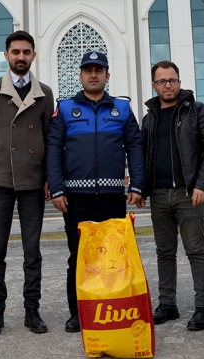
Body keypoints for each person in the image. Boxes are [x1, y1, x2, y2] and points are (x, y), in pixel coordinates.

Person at [46, 51, 145, 333]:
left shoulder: (122, 109)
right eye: (88, 70)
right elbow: (53, 149)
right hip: (75, 200)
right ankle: (79, 313)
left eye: (98, 70)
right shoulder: (64, 109)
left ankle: (112, 308)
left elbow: (135, 148)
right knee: (79, 257)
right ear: (80, 75)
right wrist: (56, 188)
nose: (93, 74)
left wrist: (137, 185)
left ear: (107, 75)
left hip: (114, 198)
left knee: (114, 257)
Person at [0, 30, 54, 335]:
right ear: (6, 55)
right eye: (15, 52)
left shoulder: (44, 92)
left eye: (26, 52)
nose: (21, 57)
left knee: (32, 250)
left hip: (33, 181)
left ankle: (32, 310)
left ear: (33, 55)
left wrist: (50, 179)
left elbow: (49, 139)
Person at [137, 60, 204, 330]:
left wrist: (202, 185)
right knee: (164, 252)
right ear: (154, 85)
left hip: (188, 193)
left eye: (172, 80)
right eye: (162, 81)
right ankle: (168, 305)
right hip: (159, 195)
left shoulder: (196, 111)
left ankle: (203, 308)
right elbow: (142, 157)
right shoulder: (149, 119)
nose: (168, 85)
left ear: (179, 82)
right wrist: (140, 188)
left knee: (196, 250)